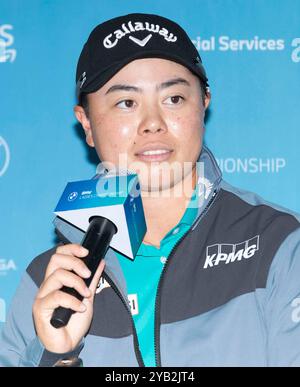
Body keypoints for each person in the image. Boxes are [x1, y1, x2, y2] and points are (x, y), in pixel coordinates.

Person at [0, 12, 300, 367]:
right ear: (87, 124)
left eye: (173, 98)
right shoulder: (48, 283)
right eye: (126, 103)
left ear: (204, 103)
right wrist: (56, 353)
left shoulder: (279, 244)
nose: (153, 124)